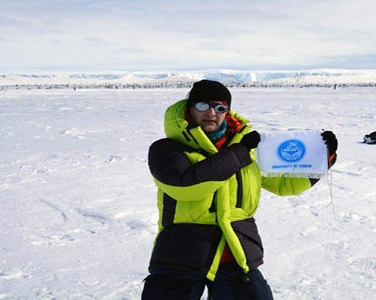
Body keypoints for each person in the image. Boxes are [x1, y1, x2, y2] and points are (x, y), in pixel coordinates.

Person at [142, 79, 338, 300]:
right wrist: (240, 152)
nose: (211, 113)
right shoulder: (167, 149)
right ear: (190, 108)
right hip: (181, 255)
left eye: (220, 107)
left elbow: (284, 185)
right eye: (202, 106)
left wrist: (322, 158)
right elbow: (187, 185)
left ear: (227, 112)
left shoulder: (247, 151)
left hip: (236, 255)